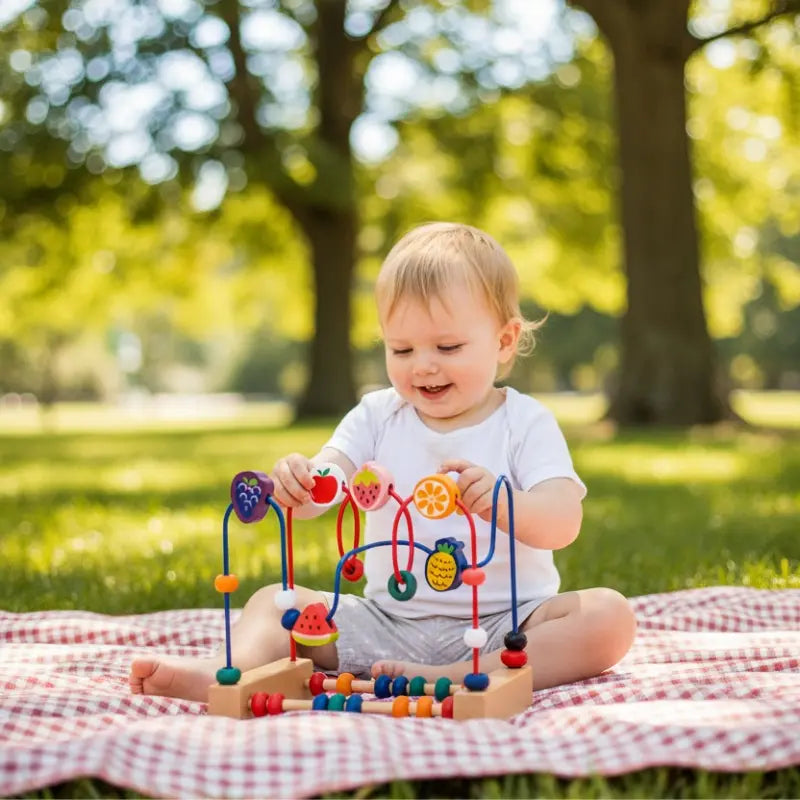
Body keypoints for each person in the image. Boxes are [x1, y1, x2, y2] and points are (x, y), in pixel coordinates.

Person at [130, 222, 636, 703]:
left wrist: (503, 503)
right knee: (273, 601)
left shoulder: (524, 422)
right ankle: (227, 672)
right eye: (402, 348)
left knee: (609, 616)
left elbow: (564, 521)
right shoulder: (377, 415)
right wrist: (299, 483)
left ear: (504, 341)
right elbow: (324, 485)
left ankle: (467, 675)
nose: (423, 365)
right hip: (385, 626)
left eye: (448, 346)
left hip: (507, 626)